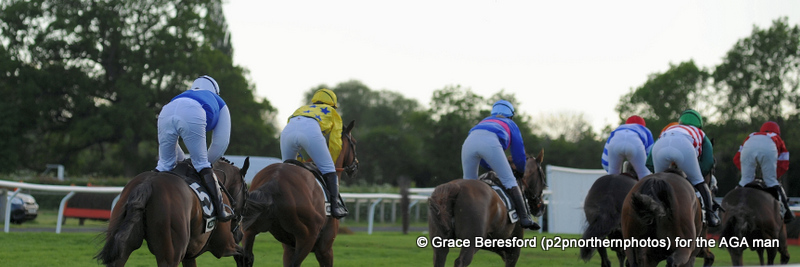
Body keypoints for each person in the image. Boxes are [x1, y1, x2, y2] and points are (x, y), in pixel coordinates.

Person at [155, 75, 233, 222]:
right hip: (193, 111)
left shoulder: (182, 94)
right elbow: (221, 143)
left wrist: (180, 160)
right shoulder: (220, 102)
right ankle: (220, 211)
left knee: (163, 165)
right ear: (215, 91)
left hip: (165, 110)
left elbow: (173, 144)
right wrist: (199, 164)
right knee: (202, 164)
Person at [461, 100, 540, 230]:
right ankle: (525, 218)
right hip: (490, 143)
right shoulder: (511, 124)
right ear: (510, 115)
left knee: (469, 183)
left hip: (468, 143)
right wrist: (520, 170)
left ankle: (460, 218)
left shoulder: (484, 121)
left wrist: (491, 167)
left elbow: (482, 157)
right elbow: (518, 154)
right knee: (509, 180)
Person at [281, 88, 348, 218]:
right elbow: (335, 143)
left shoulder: (302, 108)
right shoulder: (332, 112)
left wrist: (299, 160)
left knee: (285, 171)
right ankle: (334, 207)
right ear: (332, 104)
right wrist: (330, 163)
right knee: (328, 169)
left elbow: (294, 132)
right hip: (311, 132)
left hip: (287, 132)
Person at [650, 109, 719, 227]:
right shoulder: (701, 133)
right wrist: (693, 177)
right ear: (700, 125)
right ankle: (710, 216)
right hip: (684, 147)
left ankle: (649, 213)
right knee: (700, 182)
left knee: (657, 184)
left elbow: (649, 161)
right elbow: (708, 163)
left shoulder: (669, 128)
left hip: (659, 147)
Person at [733, 121, 794, 223]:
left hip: (749, 146)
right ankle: (787, 212)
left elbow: (737, 159)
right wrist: (773, 177)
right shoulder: (776, 138)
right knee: (771, 181)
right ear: (777, 132)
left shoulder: (751, 136)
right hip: (769, 147)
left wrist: (748, 175)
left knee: (744, 181)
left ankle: (733, 208)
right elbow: (783, 163)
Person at [601, 115, 654, 179]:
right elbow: (650, 153)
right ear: (643, 125)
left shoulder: (618, 129)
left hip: (615, 143)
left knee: (612, 175)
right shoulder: (645, 130)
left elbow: (605, 158)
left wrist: (609, 170)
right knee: (644, 175)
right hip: (634, 144)